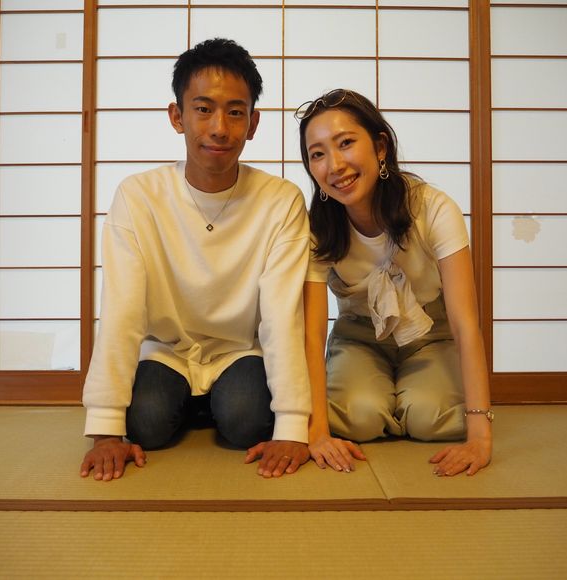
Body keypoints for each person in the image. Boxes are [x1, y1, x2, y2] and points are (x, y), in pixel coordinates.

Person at [80, 38, 311, 482]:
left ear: (253, 123)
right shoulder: (138, 196)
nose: (219, 128)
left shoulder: (280, 200)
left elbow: (282, 315)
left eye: (235, 112)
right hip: (166, 351)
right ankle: (187, 401)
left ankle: (212, 404)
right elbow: (122, 309)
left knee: (248, 422)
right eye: (203, 109)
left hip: (238, 351)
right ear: (177, 116)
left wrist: (292, 426)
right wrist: (106, 429)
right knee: (144, 424)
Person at [297, 89, 492, 477]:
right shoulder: (317, 226)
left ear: (380, 146)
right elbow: (312, 332)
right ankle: (386, 399)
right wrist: (317, 433)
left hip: (431, 335)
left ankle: (409, 399)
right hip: (358, 338)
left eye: (346, 143)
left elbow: (465, 323)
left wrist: (480, 436)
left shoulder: (433, 208)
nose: (335, 165)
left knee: (429, 417)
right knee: (359, 417)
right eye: (317, 154)